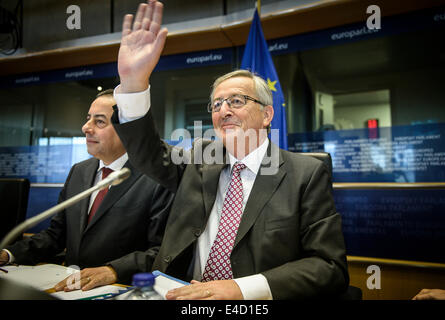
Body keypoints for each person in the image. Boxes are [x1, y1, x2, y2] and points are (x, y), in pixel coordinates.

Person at [112, 0, 348, 299]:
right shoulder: (198, 159)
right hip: (180, 296)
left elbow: (329, 266)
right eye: (217, 104)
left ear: (267, 115)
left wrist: (241, 289)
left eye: (237, 101)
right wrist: (133, 83)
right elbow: (146, 153)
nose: (224, 110)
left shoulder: (305, 174)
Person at [0, 89, 174, 292]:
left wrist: (113, 270)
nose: (85, 128)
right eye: (87, 119)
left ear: (127, 129)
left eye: (99, 122)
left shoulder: (157, 177)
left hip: (121, 290)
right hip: (68, 288)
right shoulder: (79, 171)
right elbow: (56, 235)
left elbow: (160, 251)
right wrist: (8, 254)